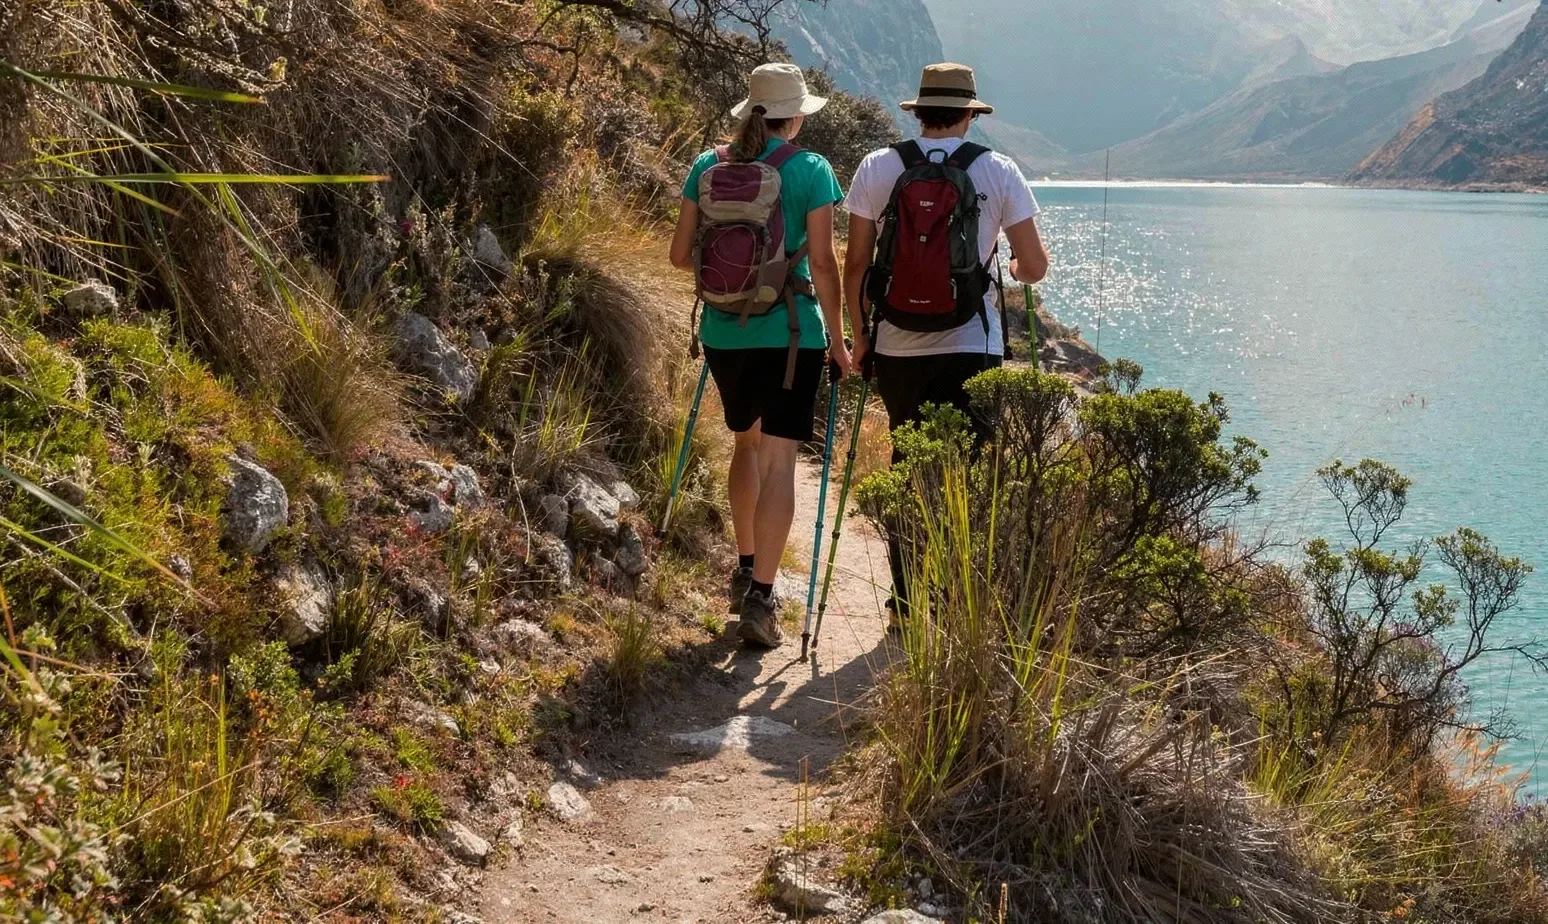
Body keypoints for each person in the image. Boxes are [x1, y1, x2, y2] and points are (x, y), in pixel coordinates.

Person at [842, 62, 1050, 627]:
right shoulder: (998, 170)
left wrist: (860, 337)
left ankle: (906, 604)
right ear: (969, 115)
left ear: (919, 111)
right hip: (971, 344)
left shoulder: (878, 166)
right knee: (968, 472)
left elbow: (856, 262)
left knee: (910, 466)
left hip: (895, 346)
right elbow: (1033, 266)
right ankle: (955, 600)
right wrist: (1010, 265)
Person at [670, 63, 853, 649]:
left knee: (745, 444)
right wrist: (843, 342)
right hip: (792, 335)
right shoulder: (811, 170)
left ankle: (745, 566)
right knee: (780, 460)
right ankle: (762, 600)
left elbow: (679, 256)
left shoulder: (708, 164)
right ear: (795, 116)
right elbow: (823, 264)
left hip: (724, 335)